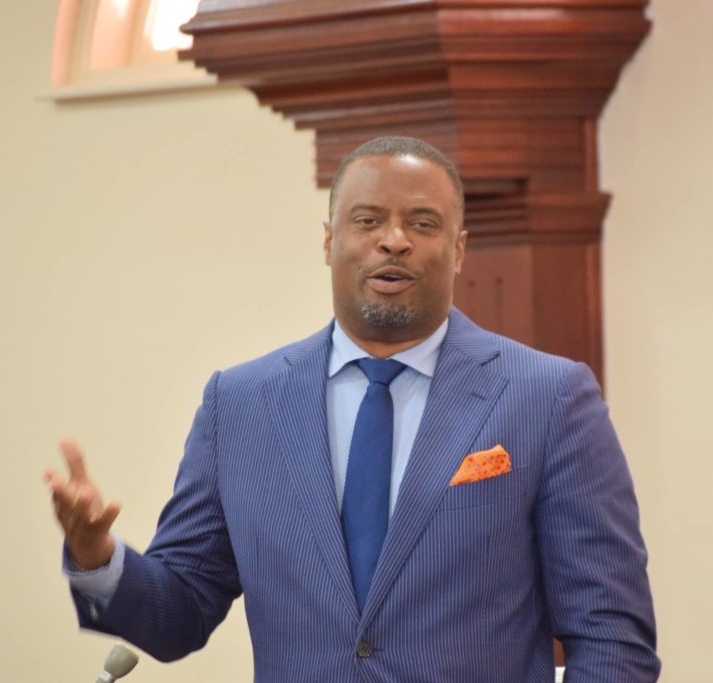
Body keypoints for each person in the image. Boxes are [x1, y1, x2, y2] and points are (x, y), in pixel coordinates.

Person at [45, 136, 661, 682]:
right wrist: (99, 557)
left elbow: (611, 635)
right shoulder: (240, 405)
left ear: (459, 250)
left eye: (422, 223)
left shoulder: (547, 398)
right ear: (329, 240)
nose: (394, 240)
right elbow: (178, 614)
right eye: (368, 220)